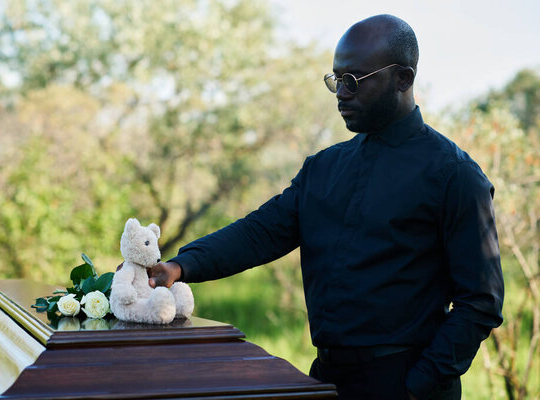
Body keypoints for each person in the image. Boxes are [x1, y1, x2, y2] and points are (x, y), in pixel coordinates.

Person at [144, 14, 504, 400]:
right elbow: (260, 232)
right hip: (327, 379)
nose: (341, 94)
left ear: (403, 78)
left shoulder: (453, 174)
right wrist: (180, 266)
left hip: (407, 381)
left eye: (354, 81)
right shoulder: (324, 167)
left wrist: (421, 384)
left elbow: (480, 301)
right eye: (336, 79)